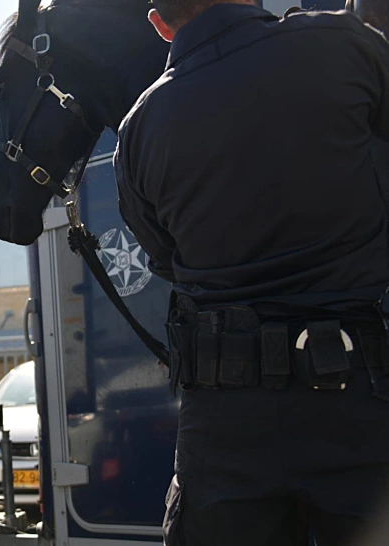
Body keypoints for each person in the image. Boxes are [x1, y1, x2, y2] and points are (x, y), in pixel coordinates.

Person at [113, 1, 389, 544]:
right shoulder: (343, 45)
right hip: (362, 407)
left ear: (159, 24)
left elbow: (168, 260)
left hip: (225, 429)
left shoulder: (140, 126)